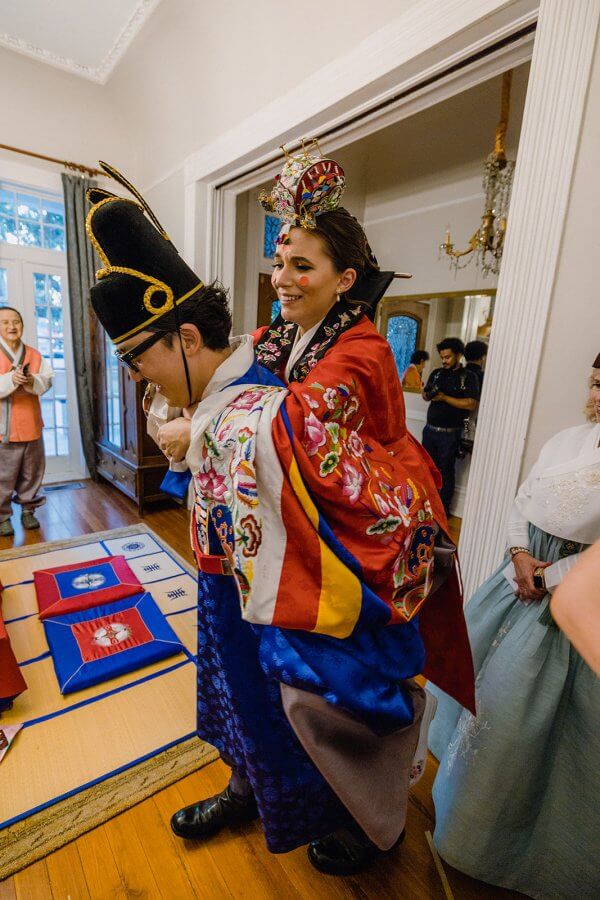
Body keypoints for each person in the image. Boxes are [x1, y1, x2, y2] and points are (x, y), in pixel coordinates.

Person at [86, 155, 474, 877]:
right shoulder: (278, 339)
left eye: (302, 265)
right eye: (278, 263)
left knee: (340, 697)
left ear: (344, 280)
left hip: (356, 546)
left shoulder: (358, 350)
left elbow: (291, 426)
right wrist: (198, 411)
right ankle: (248, 783)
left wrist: (196, 425)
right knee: (236, 678)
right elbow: (234, 386)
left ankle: (374, 819)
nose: (283, 279)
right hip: (260, 543)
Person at [426, 357, 600, 899]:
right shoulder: (568, 438)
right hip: (519, 578)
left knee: (522, 719)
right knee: (476, 688)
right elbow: (521, 501)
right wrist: (519, 552)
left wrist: (554, 579)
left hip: (569, 596)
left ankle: (498, 837)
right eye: (597, 381)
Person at [0, 306, 53, 537]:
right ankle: (3, 517)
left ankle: (28, 509)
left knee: (32, 472)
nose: (12, 326)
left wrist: (32, 380)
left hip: (31, 422)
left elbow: (48, 381)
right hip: (4, 427)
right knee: (3, 475)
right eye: (5, 322)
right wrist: (11, 378)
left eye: (16, 322)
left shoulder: (34, 354)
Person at [421, 338, 479, 513]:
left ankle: (442, 510)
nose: (444, 361)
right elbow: (425, 395)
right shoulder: (437, 373)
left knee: (446, 471)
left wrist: (445, 398)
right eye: (442, 357)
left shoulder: (468, 377)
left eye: (448, 357)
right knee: (426, 469)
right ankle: (426, 505)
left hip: (450, 434)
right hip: (430, 430)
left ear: (459, 355)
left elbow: (470, 404)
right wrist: (428, 394)